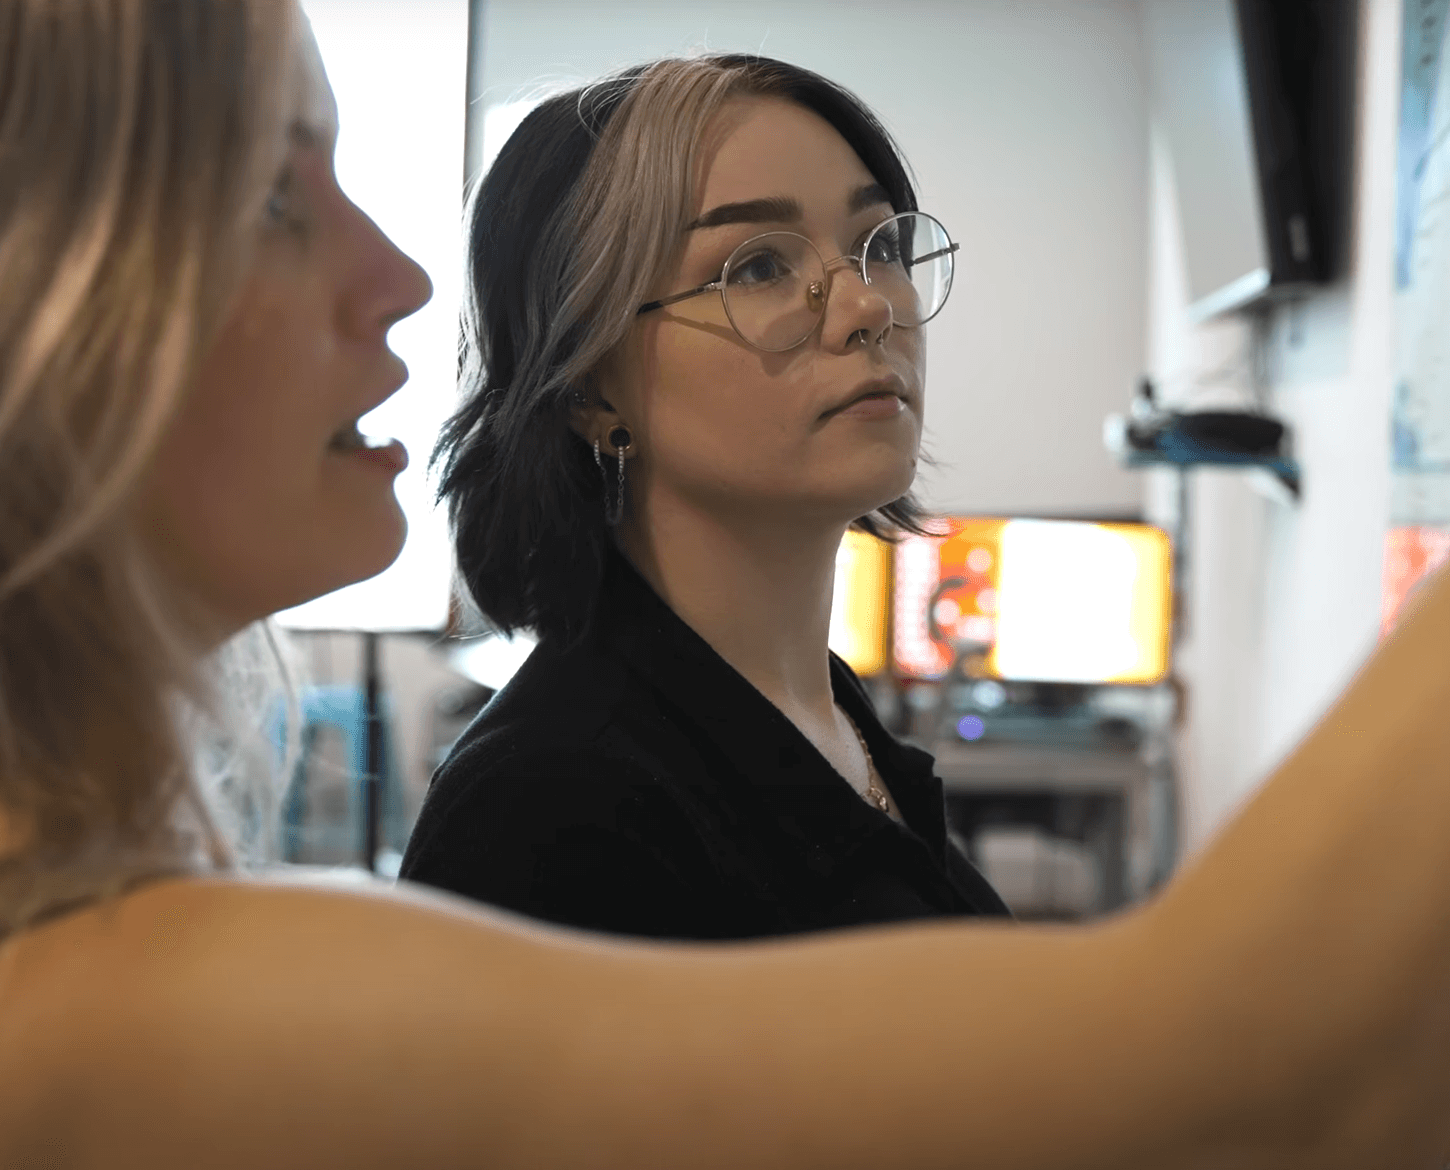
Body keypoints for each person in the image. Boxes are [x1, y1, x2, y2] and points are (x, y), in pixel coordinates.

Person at [0, 0, 1450, 1165]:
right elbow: (1268, 1074)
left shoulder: (841, 735)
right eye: (273, 201)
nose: (864, 304)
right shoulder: (462, 848)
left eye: (879, 243)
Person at [399, 56, 1010, 939]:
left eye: (879, 246)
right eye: (758, 267)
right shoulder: (549, 804)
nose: (867, 308)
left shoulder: (823, 717)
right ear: (588, 388)